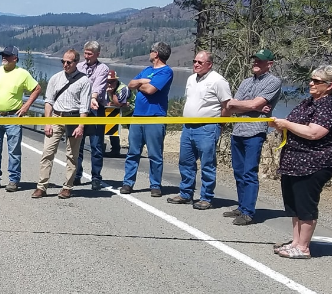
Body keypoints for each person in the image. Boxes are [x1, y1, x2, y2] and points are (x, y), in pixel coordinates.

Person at [270, 65, 332, 259]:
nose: (311, 83)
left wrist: (286, 124)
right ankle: (296, 242)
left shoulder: (328, 107)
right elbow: (294, 126)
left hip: (313, 164)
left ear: (329, 85)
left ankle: (303, 247)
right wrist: (279, 125)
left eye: (317, 81)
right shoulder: (307, 102)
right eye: (311, 79)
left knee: (305, 205)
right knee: (294, 205)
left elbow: (313, 133)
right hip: (293, 162)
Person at [166, 51, 231, 210]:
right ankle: (185, 193)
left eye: (200, 62)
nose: (196, 64)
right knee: (185, 162)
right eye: (194, 61)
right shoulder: (190, 79)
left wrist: (220, 124)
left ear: (209, 64)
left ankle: (206, 198)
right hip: (188, 127)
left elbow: (227, 106)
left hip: (207, 128)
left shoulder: (218, 81)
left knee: (207, 164)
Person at [224, 49, 283, 226]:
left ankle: (248, 212)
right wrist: (253, 107)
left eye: (260, 61)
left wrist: (251, 105)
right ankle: (241, 206)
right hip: (238, 130)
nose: (256, 63)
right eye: (255, 60)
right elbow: (231, 106)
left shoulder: (273, 82)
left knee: (249, 172)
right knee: (238, 171)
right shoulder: (246, 82)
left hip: (255, 131)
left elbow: (253, 103)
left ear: (269, 64)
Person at [0, 45, 41, 192]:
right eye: (3, 55)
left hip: (13, 116)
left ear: (15, 58)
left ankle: (14, 180)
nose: (4, 57)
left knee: (14, 151)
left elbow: (37, 89)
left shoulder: (22, 74)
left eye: (7, 55)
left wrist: (26, 106)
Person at [34, 49, 91, 199]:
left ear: (76, 63)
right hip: (56, 117)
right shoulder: (55, 78)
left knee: (72, 155)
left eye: (68, 62)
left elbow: (84, 106)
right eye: (63, 61)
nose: (65, 65)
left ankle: (67, 187)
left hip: (74, 118)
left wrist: (81, 126)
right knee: (47, 152)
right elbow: (48, 101)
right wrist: (48, 122)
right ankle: (41, 187)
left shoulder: (84, 81)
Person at [119, 42, 174, 197]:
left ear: (156, 53)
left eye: (151, 51)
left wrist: (140, 83)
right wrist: (142, 81)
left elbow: (150, 90)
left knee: (155, 154)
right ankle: (128, 183)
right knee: (133, 152)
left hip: (155, 117)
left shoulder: (166, 71)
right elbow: (130, 84)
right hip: (137, 117)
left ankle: (155, 185)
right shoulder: (147, 70)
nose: (149, 53)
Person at [75, 41, 110, 189]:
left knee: (96, 145)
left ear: (97, 54)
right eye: (85, 53)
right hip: (79, 108)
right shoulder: (79, 67)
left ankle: (96, 177)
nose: (87, 56)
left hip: (96, 109)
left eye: (90, 54)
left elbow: (98, 88)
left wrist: (92, 99)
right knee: (78, 143)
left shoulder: (103, 69)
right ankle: (77, 174)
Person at [102, 70, 130, 157]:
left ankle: (133, 151)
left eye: (112, 81)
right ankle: (115, 149)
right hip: (115, 111)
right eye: (108, 82)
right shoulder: (104, 87)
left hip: (130, 112)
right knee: (113, 129)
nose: (109, 84)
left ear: (116, 80)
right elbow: (105, 102)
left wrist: (111, 93)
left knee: (132, 133)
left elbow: (119, 104)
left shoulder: (123, 88)